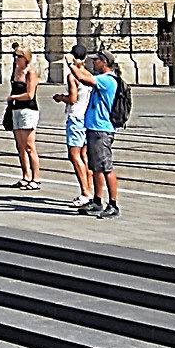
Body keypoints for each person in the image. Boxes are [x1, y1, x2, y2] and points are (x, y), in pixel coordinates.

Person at [79, 51, 122, 217]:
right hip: (94, 128)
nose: (94, 63)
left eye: (96, 60)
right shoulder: (101, 78)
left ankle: (113, 204)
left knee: (106, 167)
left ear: (104, 62)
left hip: (102, 129)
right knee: (96, 167)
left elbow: (84, 78)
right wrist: (78, 65)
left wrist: (71, 64)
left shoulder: (107, 80)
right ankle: (97, 201)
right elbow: (86, 75)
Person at [52, 43, 95, 211]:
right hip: (86, 117)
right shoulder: (87, 73)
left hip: (76, 117)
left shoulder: (73, 76)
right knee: (85, 156)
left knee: (74, 155)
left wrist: (60, 97)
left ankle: (85, 193)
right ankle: (89, 189)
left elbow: (72, 98)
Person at [5, 41, 41, 188]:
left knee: (29, 146)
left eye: (18, 56)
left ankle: (36, 178)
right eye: (14, 55)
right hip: (16, 110)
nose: (15, 58)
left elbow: (30, 95)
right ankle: (25, 175)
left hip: (28, 110)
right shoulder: (15, 71)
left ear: (25, 57)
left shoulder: (30, 73)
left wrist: (13, 97)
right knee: (20, 146)